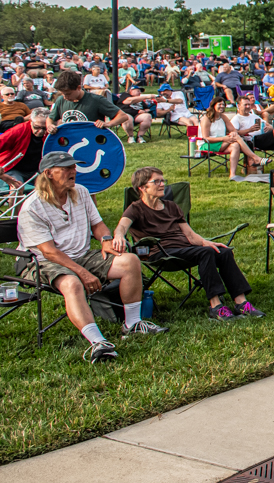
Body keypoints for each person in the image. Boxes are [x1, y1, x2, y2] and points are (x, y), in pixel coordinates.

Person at [16, 152, 166, 362]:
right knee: (72, 283)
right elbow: (49, 251)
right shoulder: (33, 207)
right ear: (48, 173)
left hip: (81, 254)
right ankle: (98, 342)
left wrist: (106, 239)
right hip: (42, 261)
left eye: (74, 167)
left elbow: (98, 225)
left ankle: (132, 324)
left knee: (130, 261)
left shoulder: (81, 192)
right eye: (66, 168)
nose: (73, 171)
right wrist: (83, 273)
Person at [115, 166, 265, 320]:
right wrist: (119, 236)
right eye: (157, 181)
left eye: (163, 180)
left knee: (223, 252)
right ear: (142, 187)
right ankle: (216, 306)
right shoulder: (135, 209)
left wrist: (206, 242)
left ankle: (241, 303)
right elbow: (121, 227)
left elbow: (190, 235)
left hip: (185, 248)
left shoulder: (171, 206)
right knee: (205, 252)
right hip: (161, 252)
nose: (162, 184)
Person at [198, 97, 268, 178]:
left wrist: (232, 134)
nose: (222, 106)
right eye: (219, 104)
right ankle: (255, 157)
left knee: (236, 145)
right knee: (236, 138)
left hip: (221, 143)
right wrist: (224, 138)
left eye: (223, 104)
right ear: (213, 105)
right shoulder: (206, 119)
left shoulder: (223, 117)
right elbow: (206, 138)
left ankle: (232, 174)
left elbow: (233, 130)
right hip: (208, 145)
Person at [46, 70, 131, 135]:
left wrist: (108, 124)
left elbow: (122, 116)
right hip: (69, 143)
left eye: (68, 94)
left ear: (79, 88)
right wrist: (50, 126)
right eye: (63, 94)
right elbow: (50, 118)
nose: (65, 97)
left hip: (91, 142)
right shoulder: (61, 100)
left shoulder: (96, 100)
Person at [230, 93, 274, 173]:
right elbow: (235, 133)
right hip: (252, 142)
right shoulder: (236, 118)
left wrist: (270, 127)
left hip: (263, 139)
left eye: (249, 104)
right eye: (245, 105)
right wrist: (249, 130)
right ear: (238, 106)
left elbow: (268, 125)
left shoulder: (253, 116)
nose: (248, 106)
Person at [0, 108, 48, 188]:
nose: (40, 131)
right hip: (14, 168)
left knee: (52, 185)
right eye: (36, 127)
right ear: (30, 121)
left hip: (37, 170)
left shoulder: (50, 132)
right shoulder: (18, 130)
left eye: (44, 128)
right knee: (17, 186)